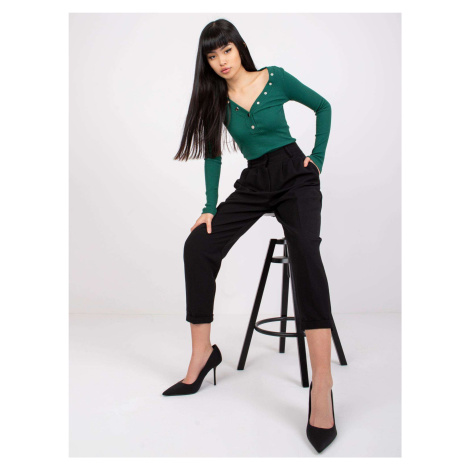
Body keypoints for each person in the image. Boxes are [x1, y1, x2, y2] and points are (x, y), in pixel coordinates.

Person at [164, 19, 337, 453]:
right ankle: (203, 354)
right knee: (198, 246)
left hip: (295, 176)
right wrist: (209, 206)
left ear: (238, 47)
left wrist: (316, 158)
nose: (221, 61)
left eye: (226, 50)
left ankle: (322, 384)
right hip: (255, 181)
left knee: (305, 253)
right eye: (212, 56)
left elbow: (323, 106)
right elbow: (213, 156)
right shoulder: (216, 101)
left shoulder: (274, 78)